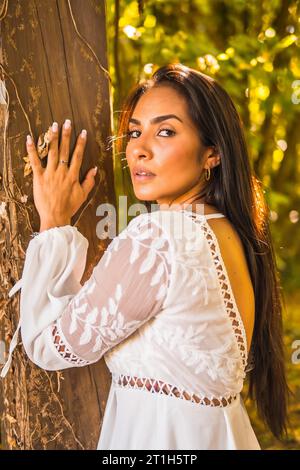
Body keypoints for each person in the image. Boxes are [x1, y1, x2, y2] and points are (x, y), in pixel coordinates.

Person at [1, 63, 288, 450]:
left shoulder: (162, 235)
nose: (138, 147)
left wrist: (54, 221)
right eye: (135, 131)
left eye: (165, 131)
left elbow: (48, 346)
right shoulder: (229, 233)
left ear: (212, 153)